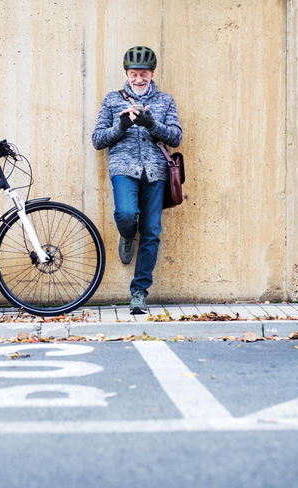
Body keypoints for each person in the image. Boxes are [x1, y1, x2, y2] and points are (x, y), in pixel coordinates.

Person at [92, 46, 183, 314]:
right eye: (134, 74)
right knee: (126, 214)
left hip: (156, 173)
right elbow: (97, 140)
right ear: (127, 74)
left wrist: (150, 123)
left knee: (152, 231)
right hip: (124, 170)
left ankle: (139, 291)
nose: (139, 79)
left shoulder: (165, 101)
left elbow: (176, 137)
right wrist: (122, 126)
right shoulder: (112, 100)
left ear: (152, 73)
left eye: (144, 74)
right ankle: (128, 235)